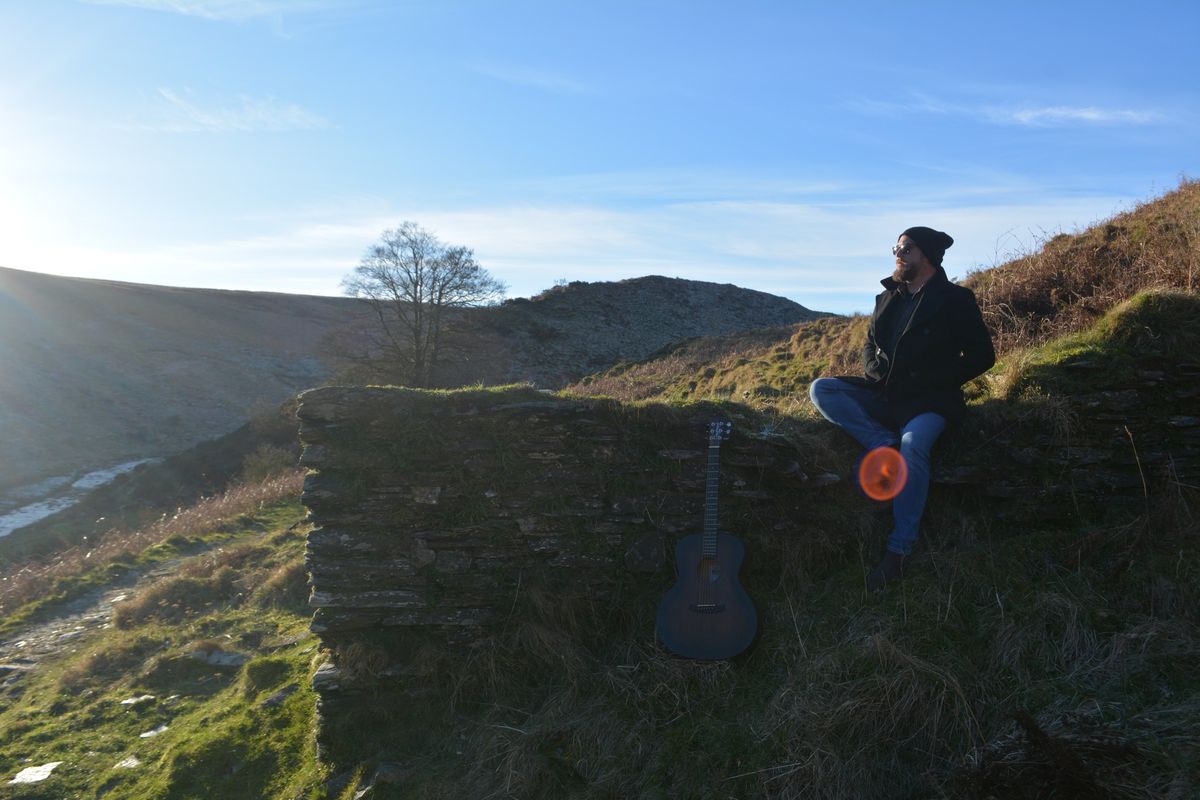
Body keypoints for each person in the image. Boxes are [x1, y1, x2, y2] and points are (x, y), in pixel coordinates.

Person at [809, 227, 995, 591]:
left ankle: (899, 549)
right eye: (896, 247)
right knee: (823, 389)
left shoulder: (955, 299)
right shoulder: (888, 296)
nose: (898, 253)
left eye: (905, 247)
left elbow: (982, 356)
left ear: (925, 255)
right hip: (884, 394)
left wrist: (936, 380)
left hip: (929, 402)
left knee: (914, 450)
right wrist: (874, 372)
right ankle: (882, 442)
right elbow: (870, 344)